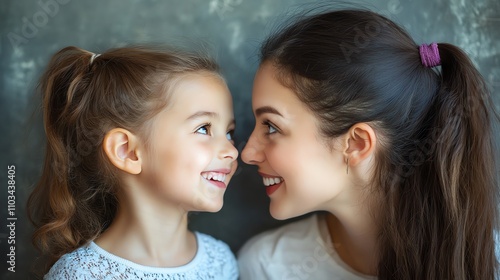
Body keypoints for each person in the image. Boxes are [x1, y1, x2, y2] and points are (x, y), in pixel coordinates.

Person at [238, 9, 499, 280]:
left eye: (271, 126)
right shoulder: (268, 267)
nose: (246, 154)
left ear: (357, 144)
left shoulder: (488, 262)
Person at [27, 45, 239, 279]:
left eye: (229, 133)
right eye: (204, 128)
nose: (232, 150)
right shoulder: (79, 275)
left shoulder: (220, 261)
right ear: (127, 152)